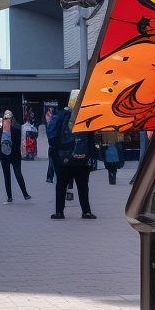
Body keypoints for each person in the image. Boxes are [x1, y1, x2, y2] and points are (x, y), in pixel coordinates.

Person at [47, 92, 98, 220]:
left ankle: (59, 212)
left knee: (61, 184)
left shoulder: (62, 115)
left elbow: (51, 132)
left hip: (64, 157)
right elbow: (92, 138)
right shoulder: (86, 116)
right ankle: (86, 212)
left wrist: (57, 148)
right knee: (83, 185)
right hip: (82, 157)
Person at [0, 110, 31, 204]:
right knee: (6, 176)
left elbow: (20, 141)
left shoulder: (16, 128)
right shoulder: (1, 129)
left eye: (8, 118)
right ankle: (9, 197)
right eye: (5, 118)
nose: (6, 120)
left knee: (17, 173)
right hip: (5, 155)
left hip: (15, 154)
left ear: (12, 119)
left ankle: (25, 194)